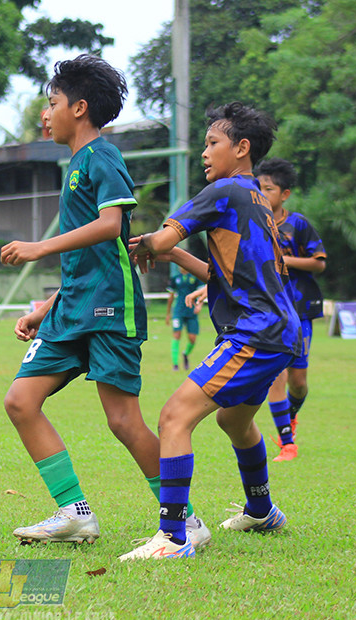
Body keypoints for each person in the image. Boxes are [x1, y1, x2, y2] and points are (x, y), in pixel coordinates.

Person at [0, 55, 211, 548]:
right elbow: (89, 260)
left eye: (51, 104)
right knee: (20, 401)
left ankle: (187, 520)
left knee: (122, 421)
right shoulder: (75, 164)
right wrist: (43, 309)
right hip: (72, 309)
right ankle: (74, 513)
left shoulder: (102, 156)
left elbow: (112, 227)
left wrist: (39, 247)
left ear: (79, 107)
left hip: (110, 308)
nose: (44, 115)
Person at [118, 101, 301, 561]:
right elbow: (228, 274)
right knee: (233, 420)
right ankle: (261, 510)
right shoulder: (256, 198)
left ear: (241, 148)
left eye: (212, 143)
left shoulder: (224, 191)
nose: (204, 153)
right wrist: (178, 257)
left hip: (254, 333)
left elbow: (160, 238)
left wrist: (123, 238)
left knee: (174, 418)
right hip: (279, 330)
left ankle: (174, 537)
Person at [254, 158, 327, 462]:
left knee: (298, 381)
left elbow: (319, 262)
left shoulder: (298, 225)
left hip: (300, 307)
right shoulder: (252, 223)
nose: (262, 194)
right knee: (277, 374)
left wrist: (283, 262)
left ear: (284, 194)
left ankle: (292, 415)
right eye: (258, 188)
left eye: (268, 189)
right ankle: (287, 443)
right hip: (268, 309)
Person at [165, 265, 205, 371]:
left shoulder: (195, 277)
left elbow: (202, 293)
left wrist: (199, 305)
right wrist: (168, 314)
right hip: (178, 311)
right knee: (176, 335)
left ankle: (185, 354)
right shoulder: (175, 278)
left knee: (192, 339)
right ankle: (175, 364)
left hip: (191, 311)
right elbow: (171, 296)